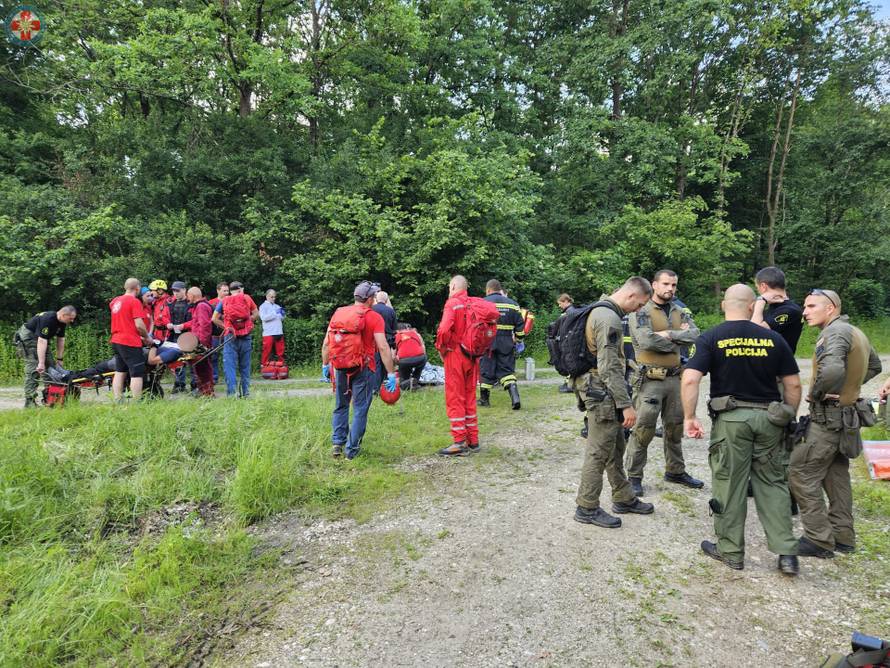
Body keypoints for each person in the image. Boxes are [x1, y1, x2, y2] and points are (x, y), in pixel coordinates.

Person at [682, 284, 801, 575]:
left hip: (731, 421)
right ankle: (786, 553)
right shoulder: (773, 338)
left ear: (724, 305)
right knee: (773, 483)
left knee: (729, 483)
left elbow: (689, 379)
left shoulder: (711, 337)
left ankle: (731, 551)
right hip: (769, 419)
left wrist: (689, 417)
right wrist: (788, 416)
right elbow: (794, 384)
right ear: (751, 307)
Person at [789, 289, 882, 558]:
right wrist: (849, 389)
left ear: (830, 308)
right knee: (836, 475)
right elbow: (875, 366)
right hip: (846, 418)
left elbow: (831, 370)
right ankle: (843, 537)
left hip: (827, 418)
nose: (805, 312)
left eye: (811, 306)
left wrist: (817, 393)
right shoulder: (855, 332)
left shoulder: (833, 333)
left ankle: (819, 539)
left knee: (800, 473)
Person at [573, 277, 655, 528]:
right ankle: (586, 507)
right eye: (640, 304)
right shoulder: (608, 318)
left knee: (616, 445)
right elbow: (609, 367)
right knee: (598, 451)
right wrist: (625, 404)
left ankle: (623, 496)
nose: (639, 310)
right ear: (631, 296)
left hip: (597, 388)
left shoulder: (600, 309)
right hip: (602, 392)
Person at [624, 270, 703, 496]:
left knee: (675, 428)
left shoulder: (680, 311)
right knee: (644, 429)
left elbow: (696, 335)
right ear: (654, 285)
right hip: (650, 380)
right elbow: (645, 341)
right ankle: (634, 476)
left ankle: (675, 471)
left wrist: (668, 333)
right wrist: (678, 338)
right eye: (666, 284)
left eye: (674, 285)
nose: (670, 288)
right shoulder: (642, 310)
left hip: (676, 379)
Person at [320, 281, 397, 459]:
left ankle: (337, 444)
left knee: (341, 405)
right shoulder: (373, 317)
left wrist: (325, 365)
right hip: (364, 368)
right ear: (370, 299)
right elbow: (384, 348)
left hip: (339, 366)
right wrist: (391, 373)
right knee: (360, 408)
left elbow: (326, 343)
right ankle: (352, 450)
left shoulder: (339, 313)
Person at [436, 276, 482, 456]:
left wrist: (441, 348)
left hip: (455, 354)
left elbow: (444, 329)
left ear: (453, 286)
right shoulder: (473, 303)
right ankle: (473, 440)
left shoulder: (452, 303)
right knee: (469, 396)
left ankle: (459, 442)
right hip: (473, 355)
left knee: (455, 397)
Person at [15, 306, 77, 407]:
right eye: (70, 318)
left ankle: (50, 397)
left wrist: (60, 359)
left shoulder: (62, 322)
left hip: (40, 340)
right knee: (34, 368)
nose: (72, 320)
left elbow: (60, 339)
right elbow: (42, 341)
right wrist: (41, 363)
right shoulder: (48, 319)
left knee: (51, 368)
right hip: (28, 339)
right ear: (63, 315)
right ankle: (29, 401)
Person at [478, 279, 525, 410]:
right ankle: (515, 398)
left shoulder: (482, 303)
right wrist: (519, 340)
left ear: (488, 290)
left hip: (488, 341)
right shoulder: (513, 305)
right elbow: (520, 326)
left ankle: (484, 400)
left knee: (486, 369)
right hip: (506, 341)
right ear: (500, 289)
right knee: (507, 371)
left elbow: (475, 324)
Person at [212, 281, 259, 398]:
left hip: (230, 337)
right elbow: (256, 314)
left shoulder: (224, 300)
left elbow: (214, 319)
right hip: (245, 336)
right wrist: (247, 323)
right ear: (240, 289)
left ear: (230, 290)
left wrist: (228, 327)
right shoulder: (247, 298)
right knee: (245, 366)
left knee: (230, 366)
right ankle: (245, 393)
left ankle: (232, 394)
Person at [110, 278, 153, 402]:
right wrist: (147, 337)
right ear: (138, 288)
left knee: (120, 371)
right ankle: (136, 402)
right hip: (129, 341)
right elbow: (139, 325)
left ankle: (118, 400)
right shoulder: (134, 302)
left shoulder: (115, 301)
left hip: (116, 340)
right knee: (137, 372)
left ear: (125, 287)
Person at [751, 266, 804, 353]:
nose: (758, 292)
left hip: (779, 364)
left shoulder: (790, 310)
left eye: (757, 288)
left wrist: (760, 302)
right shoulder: (772, 308)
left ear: (763, 286)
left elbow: (753, 332)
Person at [184, 286, 215, 396]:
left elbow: (205, 326)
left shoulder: (201, 306)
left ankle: (208, 393)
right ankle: (205, 392)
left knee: (203, 369)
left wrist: (202, 345)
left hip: (202, 345)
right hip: (200, 343)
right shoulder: (199, 306)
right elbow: (195, 324)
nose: (187, 298)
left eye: (188, 296)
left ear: (192, 295)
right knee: (200, 368)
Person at [166, 281, 193, 393]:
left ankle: (194, 385)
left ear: (184, 290)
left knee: (190, 360)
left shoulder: (191, 303)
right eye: (173, 291)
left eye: (178, 290)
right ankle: (179, 384)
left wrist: (184, 326)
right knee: (176, 361)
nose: (175, 293)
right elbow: (163, 317)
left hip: (188, 336)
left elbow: (195, 321)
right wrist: (167, 324)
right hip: (174, 336)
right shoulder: (170, 303)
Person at [372, 290, 398, 387]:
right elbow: (394, 329)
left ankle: (375, 387)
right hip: (388, 338)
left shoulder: (372, 309)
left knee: (377, 362)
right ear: (386, 300)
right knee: (386, 361)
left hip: (375, 339)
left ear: (376, 299)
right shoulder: (391, 311)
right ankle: (384, 382)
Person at [556, 294, 579, 394]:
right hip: (567, 342)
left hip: (569, 343)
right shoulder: (569, 312)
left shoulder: (570, 312)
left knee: (569, 364)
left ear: (566, 301)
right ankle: (567, 383)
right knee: (567, 363)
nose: (559, 306)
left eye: (560, 303)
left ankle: (570, 386)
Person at [395, 323, 427, 390]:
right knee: (424, 359)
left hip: (404, 361)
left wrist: (396, 364)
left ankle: (406, 383)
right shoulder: (416, 334)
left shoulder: (396, 336)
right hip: (420, 359)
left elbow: (394, 354)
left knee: (403, 379)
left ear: (397, 330)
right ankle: (415, 380)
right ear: (406, 328)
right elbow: (423, 348)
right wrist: (423, 356)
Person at [209, 282, 229, 383]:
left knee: (228, 356)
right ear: (218, 290)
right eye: (224, 290)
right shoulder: (211, 303)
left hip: (228, 334)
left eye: (227, 291)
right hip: (215, 334)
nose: (226, 293)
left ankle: (228, 377)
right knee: (213, 356)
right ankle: (214, 377)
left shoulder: (231, 301)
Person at [259, 289, 286, 365]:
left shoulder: (277, 306)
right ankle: (264, 366)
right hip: (269, 332)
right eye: (272, 297)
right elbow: (263, 318)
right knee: (266, 351)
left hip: (279, 331)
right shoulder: (263, 306)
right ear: (267, 296)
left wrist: (283, 314)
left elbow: (281, 318)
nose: (273, 298)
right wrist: (274, 313)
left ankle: (282, 367)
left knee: (281, 351)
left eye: (274, 297)